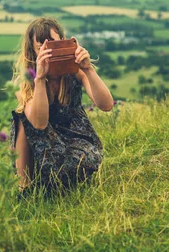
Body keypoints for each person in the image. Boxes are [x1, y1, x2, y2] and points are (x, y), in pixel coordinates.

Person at [9, 17, 114, 199]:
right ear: (33, 52)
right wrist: (40, 79)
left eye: (54, 44)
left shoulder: (75, 72)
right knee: (22, 118)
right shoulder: (25, 81)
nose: (50, 50)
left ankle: (59, 183)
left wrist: (88, 69)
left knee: (79, 164)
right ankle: (24, 188)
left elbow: (106, 105)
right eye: (43, 46)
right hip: (43, 143)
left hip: (76, 137)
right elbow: (39, 123)